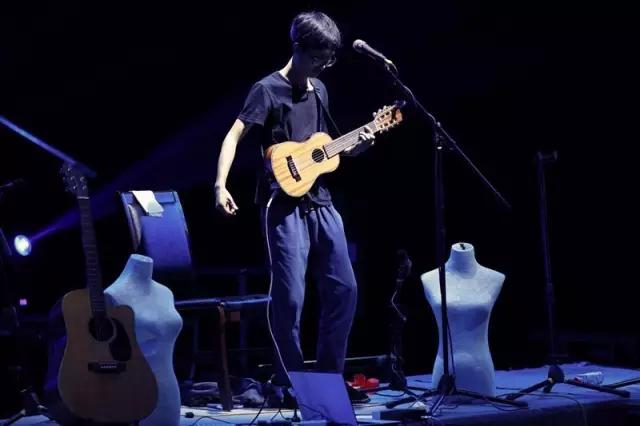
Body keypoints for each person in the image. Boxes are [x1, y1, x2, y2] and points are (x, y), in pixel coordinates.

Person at [214, 11, 375, 405]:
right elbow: (233, 136)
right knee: (289, 299)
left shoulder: (320, 91)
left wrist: (356, 146)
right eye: (317, 58)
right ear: (298, 48)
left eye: (328, 60)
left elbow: (324, 148)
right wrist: (220, 184)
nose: (322, 67)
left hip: (320, 202)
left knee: (345, 289)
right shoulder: (266, 89)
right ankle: (292, 383)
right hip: (283, 205)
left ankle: (328, 379)